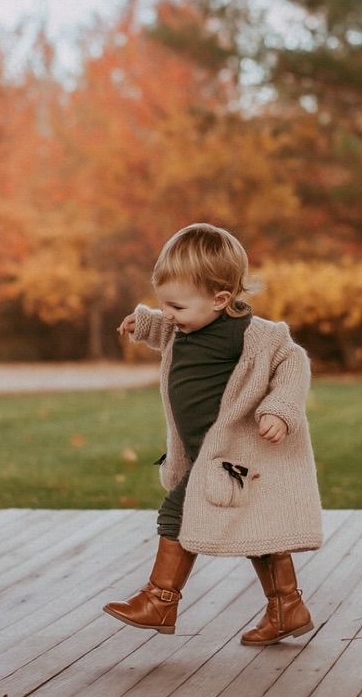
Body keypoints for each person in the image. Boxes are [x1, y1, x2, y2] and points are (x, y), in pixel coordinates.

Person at [107, 222, 323, 645]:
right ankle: (287, 607)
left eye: (176, 306)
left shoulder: (246, 335)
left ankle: (160, 599)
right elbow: (171, 330)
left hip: (233, 456)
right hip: (207, 455)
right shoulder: (189, 324)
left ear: (221, 300)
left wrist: (279, 410)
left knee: (176, 513)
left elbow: (292, 361)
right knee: (258, 531)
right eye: (163, 303)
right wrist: (146, 322)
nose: (170, 314)